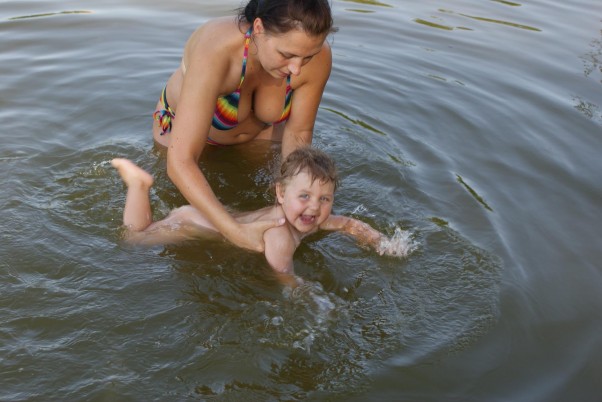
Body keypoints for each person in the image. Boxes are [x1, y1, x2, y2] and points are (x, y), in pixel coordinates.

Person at [152, 0, 337, 253]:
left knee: (259, 203)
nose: (297, 68)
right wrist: (234, 231)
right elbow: (181, 160)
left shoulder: (318, 57)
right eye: (287, 55)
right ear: (259, 28)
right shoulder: (216, 49)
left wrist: (298, 197)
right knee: (185, 212)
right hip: (183, 134)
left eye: (308, 57)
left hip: (256, 137)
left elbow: (298, 132)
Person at [112, 147, 386, 287]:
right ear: (280, 193)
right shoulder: (280, 233)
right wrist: (307, 296)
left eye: (324, 199)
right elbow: (283, 275)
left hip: (222, 215)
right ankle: (139, 185)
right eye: (304, 196)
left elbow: (347, 223)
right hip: (191, 222)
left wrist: (378, 240)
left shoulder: (309, 218)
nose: (314, 208)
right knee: (133, 238)